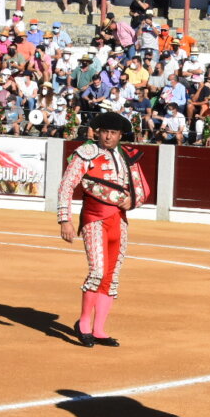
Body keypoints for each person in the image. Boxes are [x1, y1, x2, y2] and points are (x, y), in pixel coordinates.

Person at [56, 111, 150, 346]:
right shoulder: (85, 154)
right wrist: (64, 219)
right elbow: (67, 186)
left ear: (120, 135)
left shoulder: (126, 156)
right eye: (105, 132)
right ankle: (84, 323)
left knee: (111, 276)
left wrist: (133, 201)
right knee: (97, 271)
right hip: (94, 218)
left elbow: (139, 188)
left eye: (113, 133)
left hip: (119, 220)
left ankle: (99, 329)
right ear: (97, 132)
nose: (108, 137)